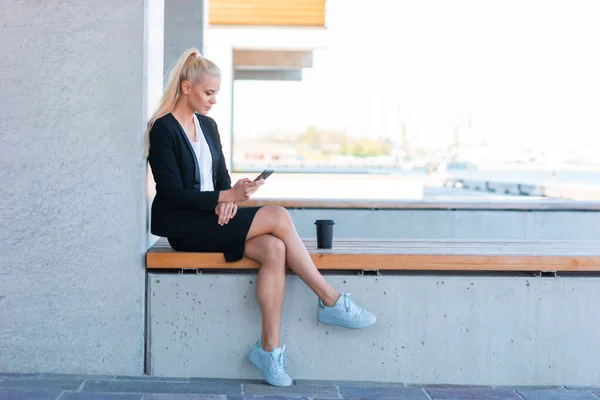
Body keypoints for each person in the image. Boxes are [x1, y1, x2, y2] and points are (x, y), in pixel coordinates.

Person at [145, 48, 376, 387]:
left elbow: (220, 181)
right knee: (277, 216)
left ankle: (269, 350)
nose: (213, 100)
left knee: (274, 250)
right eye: (209, 93)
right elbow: (173, 194)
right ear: (186, 87)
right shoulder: (162, 129)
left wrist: (231, 199)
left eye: (216, 94)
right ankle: (329, 299)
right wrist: (227, 197)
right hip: (185, 227)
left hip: (213, 219)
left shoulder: (207, 126)